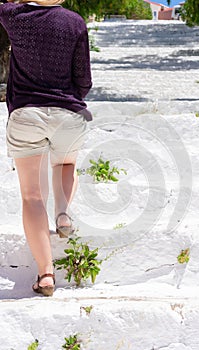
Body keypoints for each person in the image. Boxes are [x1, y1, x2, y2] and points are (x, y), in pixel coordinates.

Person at [0, 0, 92, 296]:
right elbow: (84, 79)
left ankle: (46, 274)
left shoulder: (16, 15)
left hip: (27, 114)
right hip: (68, 113)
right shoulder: (75, 22)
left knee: (32, 196)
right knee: (65, 165)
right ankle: (63, 214)